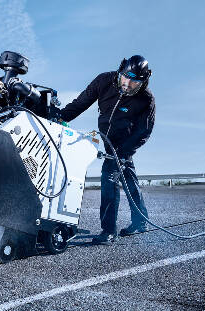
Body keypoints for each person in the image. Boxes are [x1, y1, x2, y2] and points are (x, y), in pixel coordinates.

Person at [60, 55, 155, 245]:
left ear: (142, 82)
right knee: (129, 178)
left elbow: (144, 132)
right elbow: (80, 103)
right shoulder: (103, 81)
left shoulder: (146, 100)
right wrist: (59, 117)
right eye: (125, 78)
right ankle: (141, 221)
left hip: (125, 143)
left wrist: (123, 153)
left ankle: (108, 231)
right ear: (120, 72)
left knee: (109, 177)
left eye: (134, 82)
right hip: (106, 138)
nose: (128, 84)